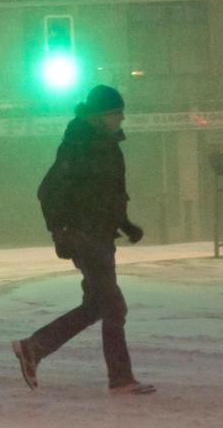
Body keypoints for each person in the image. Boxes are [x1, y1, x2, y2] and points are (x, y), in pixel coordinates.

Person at [12, 84, 155, 395]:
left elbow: (107, 195)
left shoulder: (108, 147)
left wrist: (125, 224)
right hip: (84, 235)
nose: (121, 119)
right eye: (117, 113)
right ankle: (119, 378)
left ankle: (34, 347)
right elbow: (48, 191)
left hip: (100, 234)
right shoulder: (79, 146)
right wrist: (59, 232)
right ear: (102, 115)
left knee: (97, 305)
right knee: (113, 306)